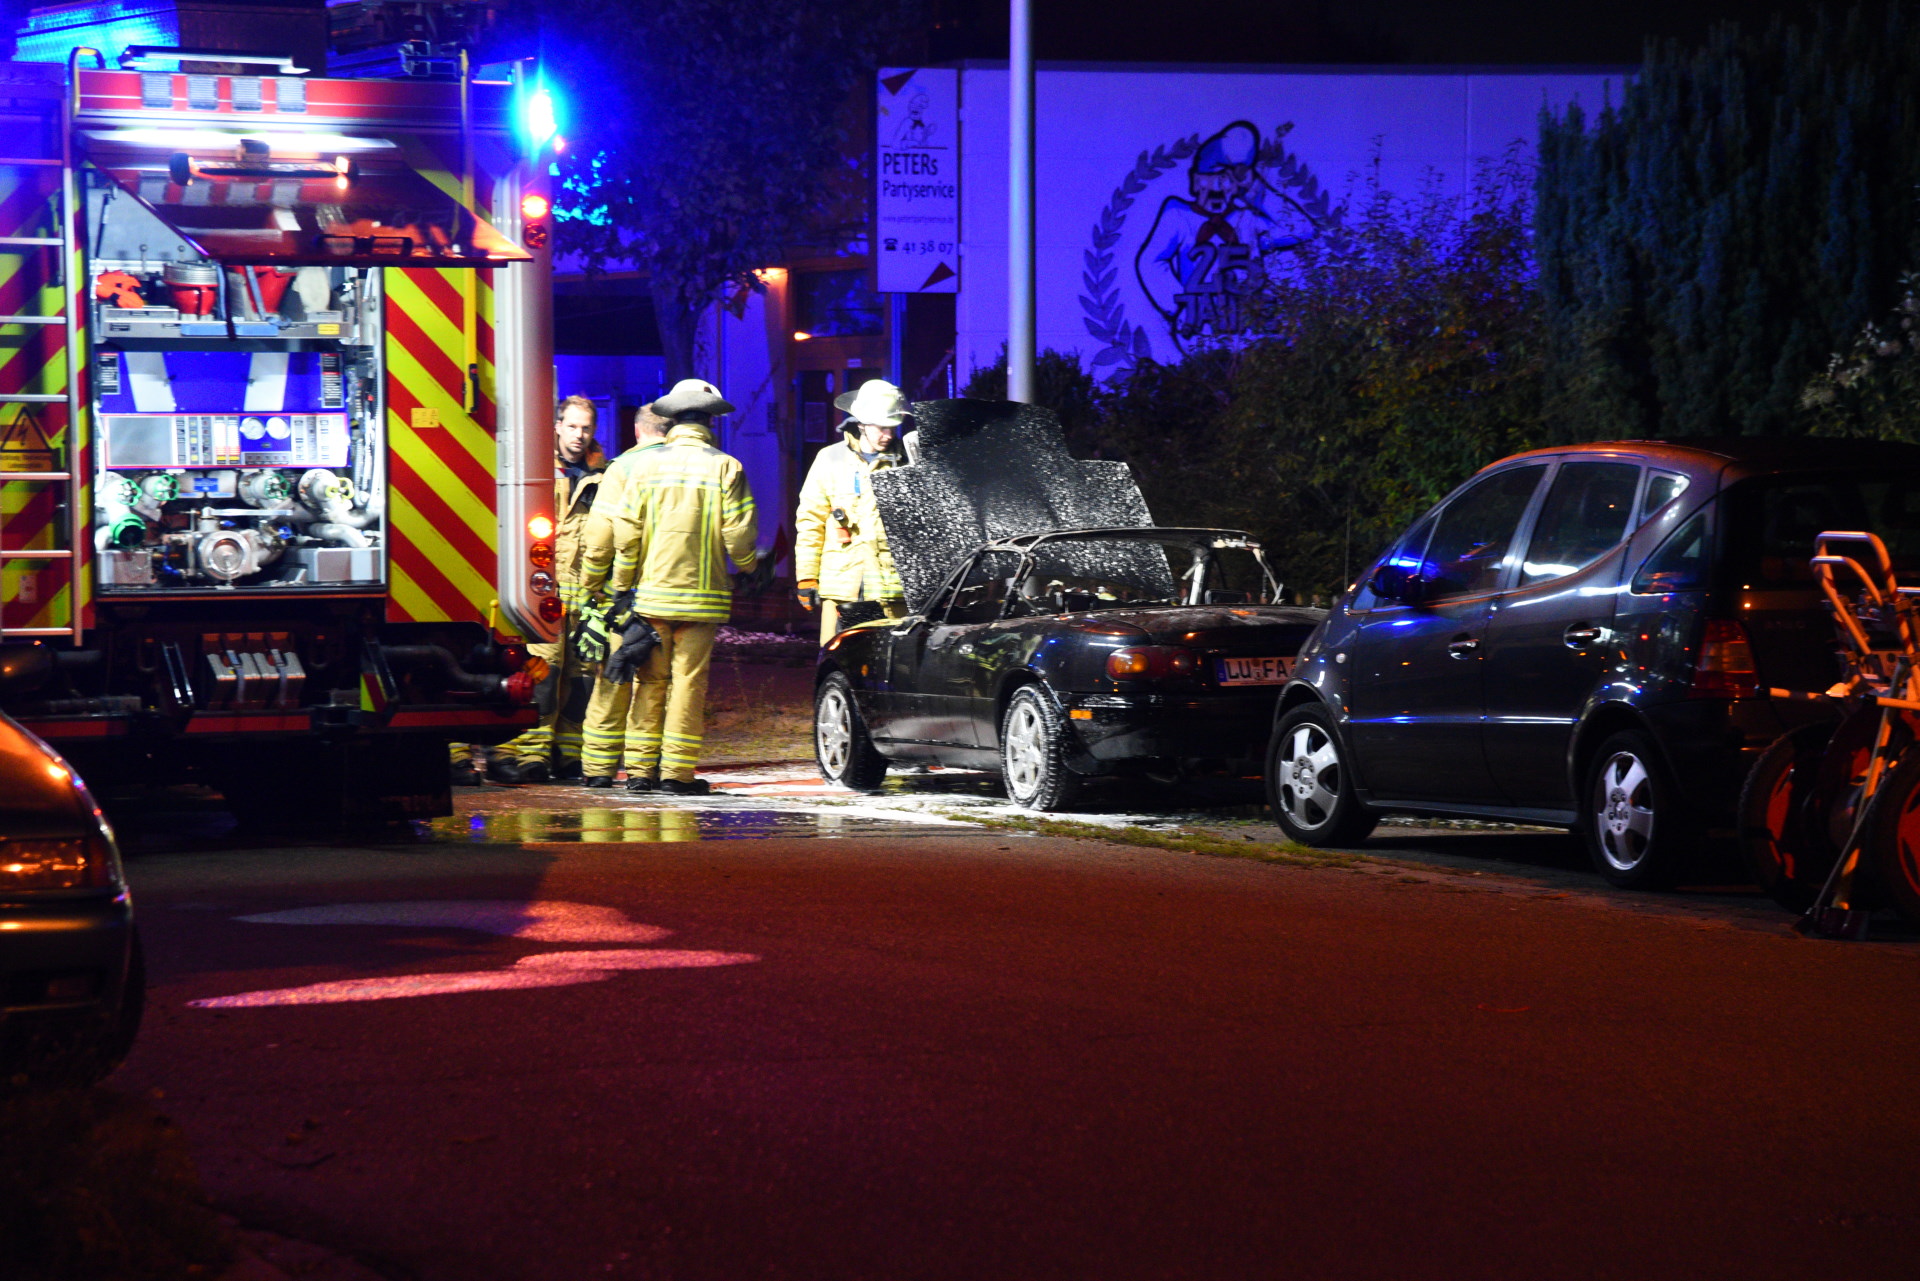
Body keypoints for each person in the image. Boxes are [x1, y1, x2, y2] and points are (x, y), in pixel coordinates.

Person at [578, 379, 758, 794]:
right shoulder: (726, 467)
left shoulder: (642, 467)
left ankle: (640, 773)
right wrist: (748, 567)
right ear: (711, 421)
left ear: (672, 419)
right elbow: (739, 536)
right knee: (688, 684)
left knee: (649, 683)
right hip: (703, 600)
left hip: (651, 597)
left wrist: (619, 586)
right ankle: (676, 775)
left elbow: (627, 533)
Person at [483, 395, 606, 784]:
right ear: (556, 426)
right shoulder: (535, 469)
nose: (579, 435)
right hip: (543, 595)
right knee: (542, 674)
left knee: (582, 678)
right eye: (572, 426)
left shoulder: (603, 476)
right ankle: (531, 755)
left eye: (586, 428)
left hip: (584, 595)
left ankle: (567, 754)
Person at [574, 403, 673, 784]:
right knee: (654, 685)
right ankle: (642, 770)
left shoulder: (620, 470)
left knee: (612, 678)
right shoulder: (683, 467)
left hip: (622, 596)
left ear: (637, 431)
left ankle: (598, 769)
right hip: (666, 594)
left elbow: (599, 540)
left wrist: (593, 587)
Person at [794, 380, 911, 645]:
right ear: (862, 424)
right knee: (837, 665)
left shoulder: (906, 462)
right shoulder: (830, 459)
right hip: (842, 588)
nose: (889, 435)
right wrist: (807, 577)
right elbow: (810, 520)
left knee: (885, 672)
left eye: (893, 428)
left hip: (890, 590)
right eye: (882, 428)